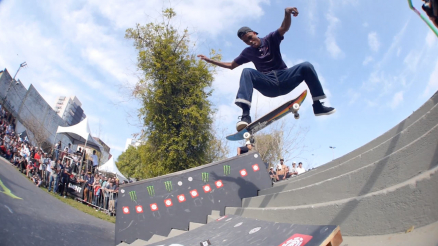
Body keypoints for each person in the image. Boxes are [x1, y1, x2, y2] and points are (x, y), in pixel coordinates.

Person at [198, 7, 335, 131]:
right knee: (247, 72)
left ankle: (317, 106)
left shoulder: (271, 39)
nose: (250, 42)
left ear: (255, 33)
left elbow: (284, 27)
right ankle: (245, 116)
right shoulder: (248, 52)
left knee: (306, 66)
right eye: (247, 41)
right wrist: (210, 60)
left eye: (250, 38)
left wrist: (287, 13)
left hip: (285, 77)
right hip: (268, 83)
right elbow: (231, 66)